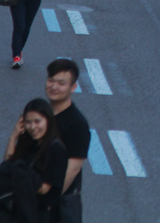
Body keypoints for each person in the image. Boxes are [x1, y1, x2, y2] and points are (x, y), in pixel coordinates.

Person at [1, 99, 68, 223]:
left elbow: (44, 188)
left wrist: (18, 175)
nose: (32, 127)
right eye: (28, 122)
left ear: (48, 120)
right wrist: (14, 136)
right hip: (20, 210)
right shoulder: (28, 142)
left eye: (37, 121)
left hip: (40, 215)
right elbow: (8, 164)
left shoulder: (57, 150)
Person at [45, 59, 90, 223]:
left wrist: (47, 201)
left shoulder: (76, 124)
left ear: (73, 87)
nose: (54, 87)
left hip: (55, 206)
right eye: (51, 80)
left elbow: (73, 168)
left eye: (61, 83)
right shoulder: (42, 115)